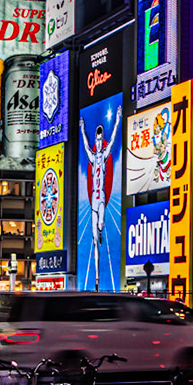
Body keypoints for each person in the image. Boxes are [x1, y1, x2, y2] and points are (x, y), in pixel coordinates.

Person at [80, 107, 121, 290]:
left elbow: (112, 140)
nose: (98, 141)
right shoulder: (93, 155)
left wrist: (118, 118)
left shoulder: (103, 156)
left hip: (101, 196)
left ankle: (102, 230)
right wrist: (82, 128)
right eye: (96, 139)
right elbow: (85, 145)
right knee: (94, 239)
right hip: (93, 202)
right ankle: (96, 278)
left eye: (99, 139)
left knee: (101, 224)